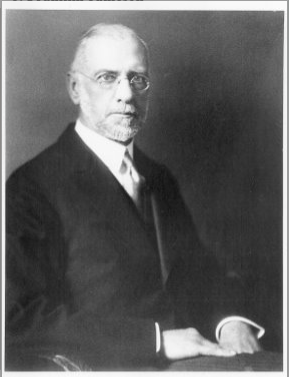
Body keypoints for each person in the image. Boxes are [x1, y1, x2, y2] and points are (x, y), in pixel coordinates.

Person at [5, 23, 264, 371]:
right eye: (107, 77)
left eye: (137, 79)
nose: (126, 94)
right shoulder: (31, 186)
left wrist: (229, 320)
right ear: (75, 88)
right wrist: (155, 340)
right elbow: (16, 318)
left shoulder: (158, 178)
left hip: (198, 357)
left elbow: (196, 271)